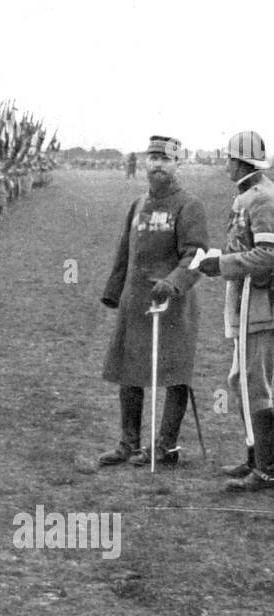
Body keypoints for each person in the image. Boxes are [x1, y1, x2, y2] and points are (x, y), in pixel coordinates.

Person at [99, 134, 208, 467]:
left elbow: (196, 254)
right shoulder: (137, 203)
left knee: (174, 373)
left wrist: (173, 283)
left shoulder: (189, 205)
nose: (158, 164)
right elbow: (125, 251)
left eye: (166, 159)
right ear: (145, 162)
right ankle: (128, 443)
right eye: (153, 158)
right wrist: (113, 291)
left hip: (172, 303)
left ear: (177, 164)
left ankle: (165, 446)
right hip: (136, 303)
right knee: (129, 370)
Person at [196, 131, 274, 490]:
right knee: (240, 381)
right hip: (244, 300)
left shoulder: (262, 199)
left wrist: (222, 263)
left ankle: (267, 469)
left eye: (228, 158)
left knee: (255, 385)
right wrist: (220, 259)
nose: (225, 164)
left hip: (261, 304)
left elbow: (268, 255)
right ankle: (255, 458)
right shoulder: (247, 196)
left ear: (241, 162)